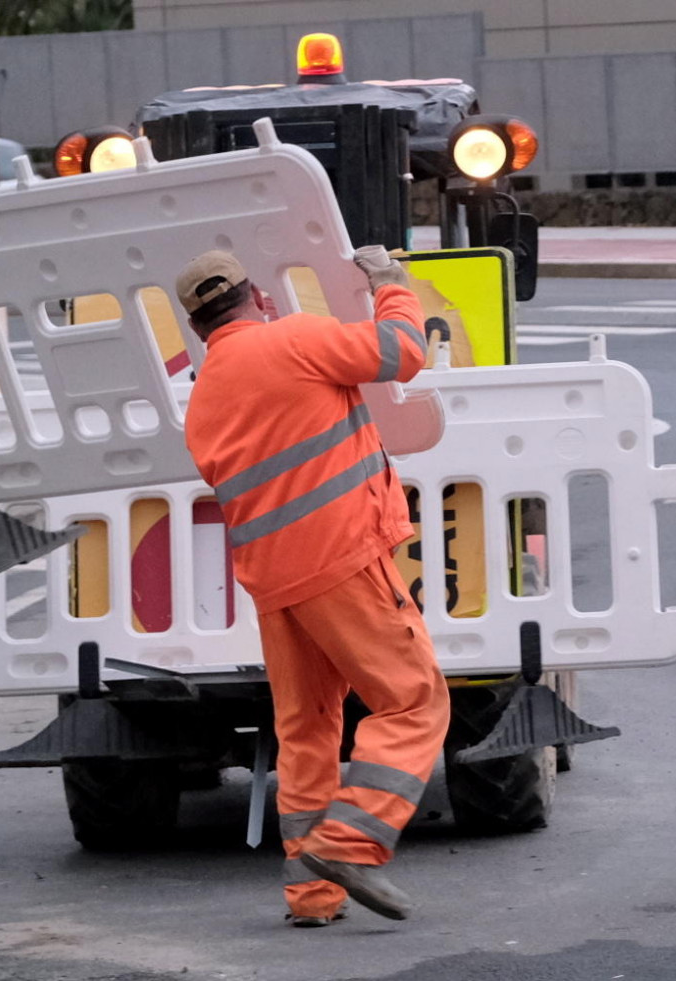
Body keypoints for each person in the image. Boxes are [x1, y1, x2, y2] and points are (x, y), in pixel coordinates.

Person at [177, 248, 450, 927]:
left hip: (276, 585)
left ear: (199, 326)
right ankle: (350, 842)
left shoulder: (205, 396)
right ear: (257, 297)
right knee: (412, 701)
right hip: (343, 560)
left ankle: (310, 893)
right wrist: (390, 284)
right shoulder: (291, 340)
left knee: (306, 729)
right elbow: (404, 351)